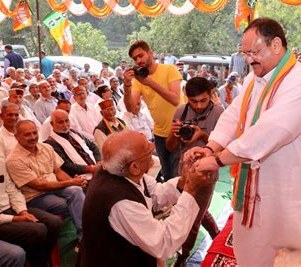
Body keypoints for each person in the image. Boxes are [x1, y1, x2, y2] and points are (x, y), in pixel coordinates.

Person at [187, 18, 301, 267]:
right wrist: (211, 147)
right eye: (246, 53)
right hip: (254, 182)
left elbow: (270, 131)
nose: (250, 60)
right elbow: (233, 115)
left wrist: (217, 160)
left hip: (290, 187)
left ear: (276, 45)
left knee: (293, 256)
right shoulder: (254, 79)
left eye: (255, 52)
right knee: (253, 250)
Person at [78, 130, 216, 267]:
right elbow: (164, 243)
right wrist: (191, 189)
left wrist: (184, 180)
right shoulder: (120, 202)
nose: (153, 147)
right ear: (135, 167)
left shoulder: (125, 173)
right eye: (147, 149)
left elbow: (155, 194)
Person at [166, 77, 223, 266]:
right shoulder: (181, 111)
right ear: (186, 97)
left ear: (211, 95)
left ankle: (182, 258)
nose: (198, 106)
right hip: (184, 170)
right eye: (193, 101)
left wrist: (203, 135)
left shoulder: (218, 112)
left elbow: (223, 149)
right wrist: (173, 133)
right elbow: (170, 146)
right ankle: (218, 236)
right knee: (195, 209)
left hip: (207, 173)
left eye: (203, 100)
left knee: (192, 220)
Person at [6, 120, 87, 248]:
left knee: (77, 191)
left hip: (56, 188)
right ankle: (86, 239)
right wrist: (71, 182)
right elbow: (40, 185)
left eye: (34, 133)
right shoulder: (13, 160)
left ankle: (84, 237)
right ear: (17, 137)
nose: (33, 137)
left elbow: (59, 172)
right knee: (73, 203)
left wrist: (75, 184)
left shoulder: (46, 147)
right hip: (36, 196)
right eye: (27, 134)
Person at [0, 133, 62, 266]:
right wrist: (15, 219)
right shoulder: (11, 159)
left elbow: (13, 190)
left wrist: (22, 211)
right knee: (37, 230)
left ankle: (40, 261)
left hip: (12, 209)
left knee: (54, 222)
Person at [123, 40, 183, 181]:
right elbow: (131, 108)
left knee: (178, 175)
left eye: (141, 56)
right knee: (168, 175)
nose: (138, 61)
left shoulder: (169, 69)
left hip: (177, 129)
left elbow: (175, 99)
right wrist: (126, 85)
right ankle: (171, 203)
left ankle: (180, 203)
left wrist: (149, 82)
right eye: (135, 59)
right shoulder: (138, 80)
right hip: (159, 133)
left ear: (150, 53)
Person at [45, 110, 100, 179]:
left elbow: (93, 147)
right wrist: (90, 169)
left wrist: (98, 162)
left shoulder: (74, 133)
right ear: (52, 124)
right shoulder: (51, 143)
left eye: (67, 121)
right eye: (60, 122)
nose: (65, 125)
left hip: (97, 169)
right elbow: (65, 165)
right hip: (81, 177)